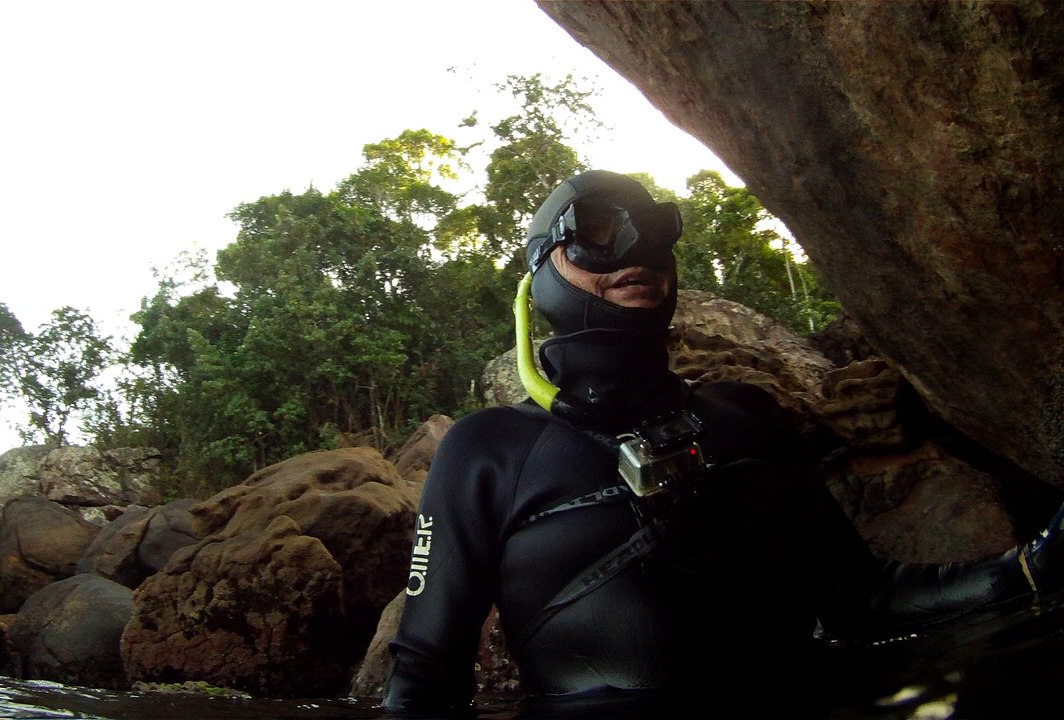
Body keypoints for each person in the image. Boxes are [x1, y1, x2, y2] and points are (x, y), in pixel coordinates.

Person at [380, 169, 1064, 717]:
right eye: (595, 230)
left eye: (652, 230)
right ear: (542, 271)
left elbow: (863, 603)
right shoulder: (488, 450)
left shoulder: (746, 415)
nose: (634, 248)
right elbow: (425, 680)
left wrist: (1032, 566)